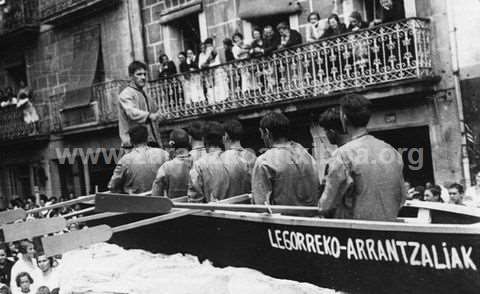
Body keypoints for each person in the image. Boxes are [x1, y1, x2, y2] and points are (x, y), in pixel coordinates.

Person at [318, 94, 406, 220]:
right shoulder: (391, 151)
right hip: (388, 231)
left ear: (344, 118)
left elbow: (326, 205)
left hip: (355, 233)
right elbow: (402, 197)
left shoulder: (343, 154)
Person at [252, 112, 320, 206]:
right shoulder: (306, 155)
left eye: (261, 133)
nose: (261, 137)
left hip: (283, 219)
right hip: (313, 217)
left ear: (267, 133)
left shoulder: (264, 161)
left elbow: (261, 204)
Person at [108, 125, 169, 194]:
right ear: (147, 138)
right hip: (161, 200)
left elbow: (112, 186)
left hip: (136, 202)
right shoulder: (164, 154)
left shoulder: (125, 160)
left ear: (131, 141)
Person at [118, 61, 163, 149]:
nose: (143, 77)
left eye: (144, 74)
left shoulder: (145, 93)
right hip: (133, 145)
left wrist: (159, 115)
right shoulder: (125, 94)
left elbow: (156, 110)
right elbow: (131, 112)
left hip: (151, 143)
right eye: (139, 74)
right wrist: (150, 116)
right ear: (131, 76)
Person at [188, 122, 230, 202]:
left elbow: (195, 200)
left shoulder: (199, 165)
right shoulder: (238, 160)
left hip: (213, 213)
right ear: (223, 139)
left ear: (203, 139)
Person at [152, 129, 193, 198]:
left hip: (175, 207)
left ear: (171, 145)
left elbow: (156, 195)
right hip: (198, 206)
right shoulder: (198, 163)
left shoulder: (166, 167)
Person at [221, 120, 253, 196]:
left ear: (226, 136)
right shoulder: (252, 156)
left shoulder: (221, 158)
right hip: (250, 204)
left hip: (229, 204)